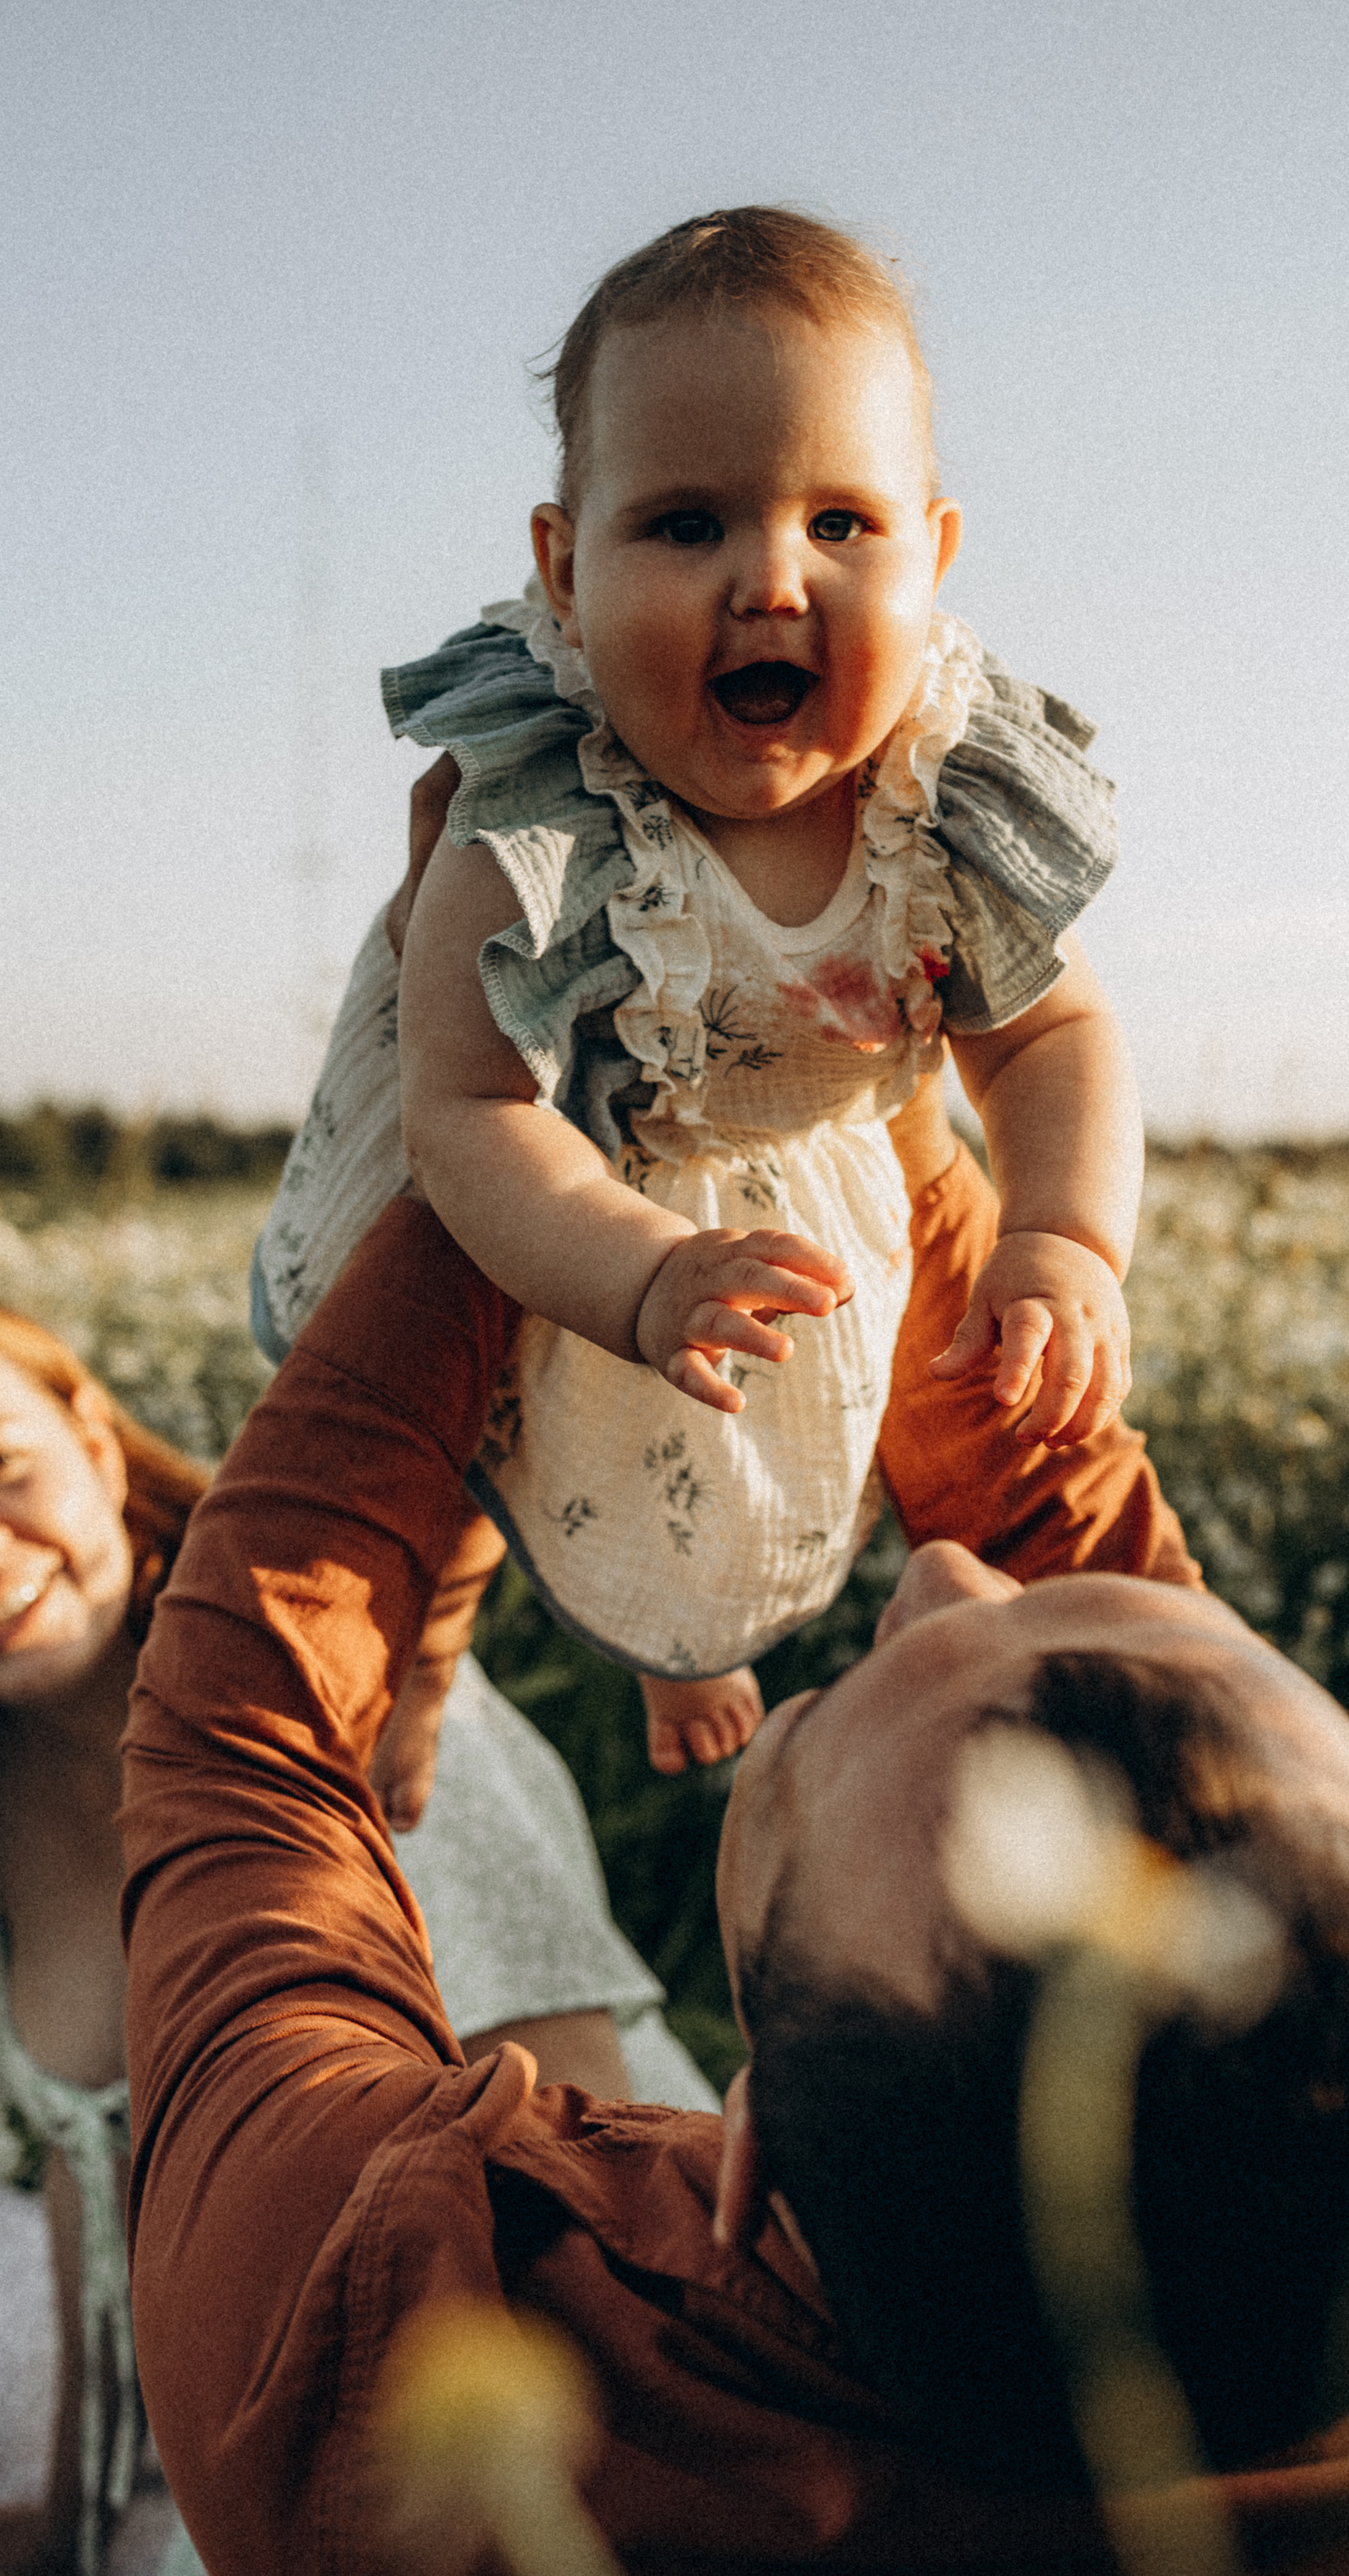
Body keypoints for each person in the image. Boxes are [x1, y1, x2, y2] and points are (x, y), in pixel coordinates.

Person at [124, 1155, 1349, 2576]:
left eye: (829, 1703)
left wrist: (516, 1158)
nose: (948, 1568)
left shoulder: (379, 2409)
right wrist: (862, 1116)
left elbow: (237, 1749)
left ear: (748, 2157)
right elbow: (1073, 1559)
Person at [254, 203, 1144, 1780]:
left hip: (793, 1150)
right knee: (469, 1399)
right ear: (564, 565)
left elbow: (1051, 1034)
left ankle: (689, 1649)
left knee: (739, 1445)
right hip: (544, 1154)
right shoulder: (544, 811)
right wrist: (633, 1270)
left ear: (931, 556)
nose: (771, 580)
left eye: (840, 525)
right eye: (683, 526)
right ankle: (428, 1640)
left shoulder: (938, 797)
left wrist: (1062, 1234)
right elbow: (467, 1117)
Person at [0, 1281, 710, 2576]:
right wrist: (59, 2520)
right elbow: (95, 2171)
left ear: (96, 1444)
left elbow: (593, 2167)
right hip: (275, 2393)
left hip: (575, 2394)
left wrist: (306, 2573)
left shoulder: (337, 1686)